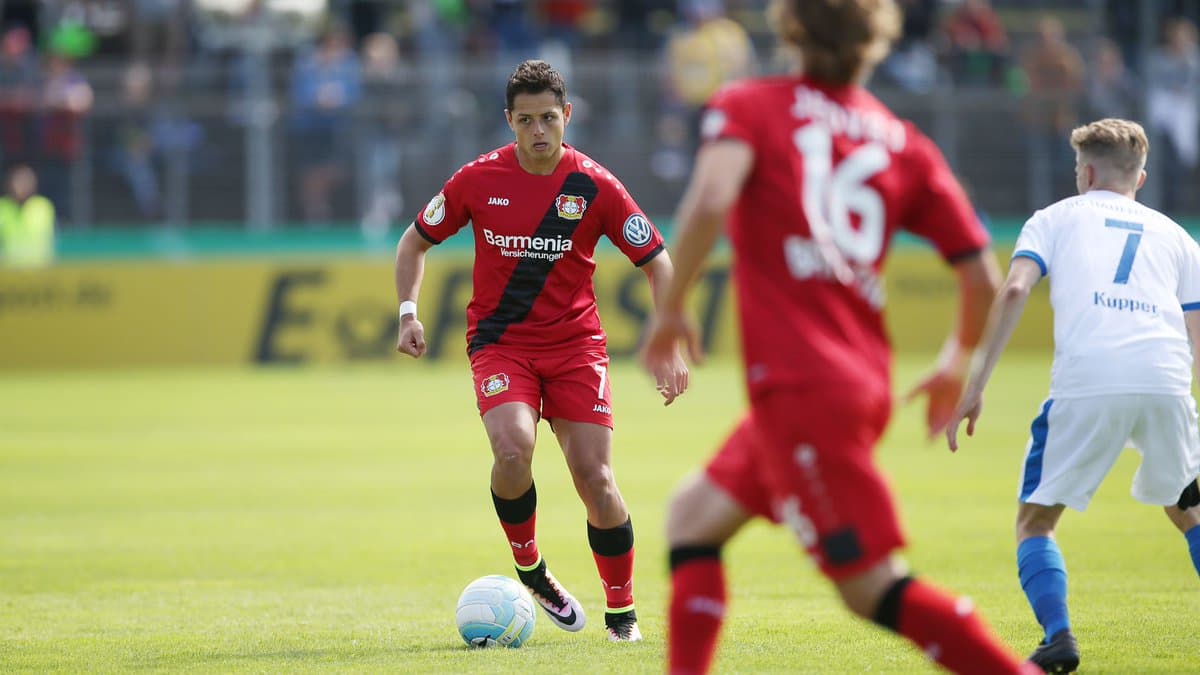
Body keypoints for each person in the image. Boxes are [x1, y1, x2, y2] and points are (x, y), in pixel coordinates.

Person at [640, 1, 1037, 673]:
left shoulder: (751, 105)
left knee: (869, 587)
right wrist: (954, 362)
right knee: (692, 518)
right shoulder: (903, 142)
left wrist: (672, 308)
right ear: (875, 44)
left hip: (801, 389)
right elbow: (981, 276)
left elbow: (709, 199)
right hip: (853, 380)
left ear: (790, 30)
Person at [394, 59, 688, 643]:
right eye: (526, 120)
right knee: (512, 449)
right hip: (502, 344)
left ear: (567, 115)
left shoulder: (595, 186)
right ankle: (531, 568)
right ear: (508, 120)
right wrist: (408, 312)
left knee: (596, 478)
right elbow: (413, 242)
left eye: (548, 118)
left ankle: (622, 615)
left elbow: (658, 263)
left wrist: (669, 341)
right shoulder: (477, 179)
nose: (538, 131)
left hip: (577, 347)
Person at [946, 118, 1200, 673]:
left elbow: (1015, 288)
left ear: (1084, 174)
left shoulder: (1054, 218)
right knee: (1189, 511)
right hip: (1166, 380)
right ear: (1140, 178)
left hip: (1089, 382)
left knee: (1035, 522)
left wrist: (976, 386)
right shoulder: (1178, 237)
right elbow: (1197, 331)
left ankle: (1058, 637)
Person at [0, 164, 55, 267]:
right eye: (19, 181)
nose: (23, 186)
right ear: (10, 183)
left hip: (39, 269)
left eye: (27, 181)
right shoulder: (2, 207)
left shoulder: (43, 206)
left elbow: (51, 241)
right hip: (8, 270)